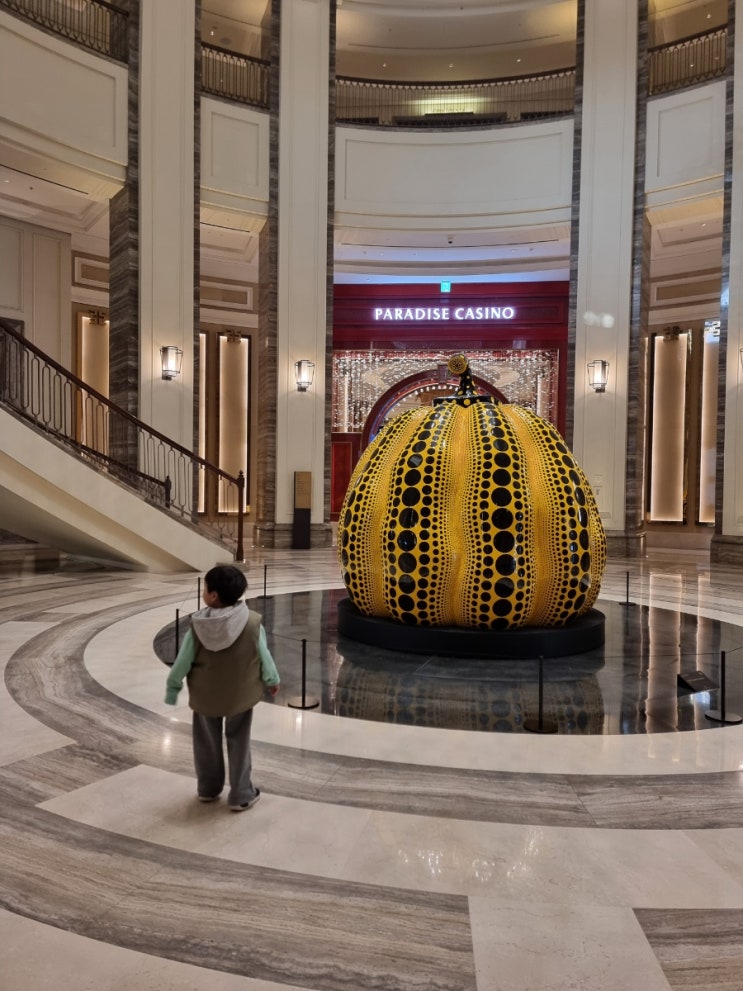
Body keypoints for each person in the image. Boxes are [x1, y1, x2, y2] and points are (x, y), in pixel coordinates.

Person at [164, 564, 280, 811]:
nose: (204, 592)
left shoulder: (197, 627)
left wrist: (173, 688)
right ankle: (241, 794)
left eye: (205, 588)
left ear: (213, 595)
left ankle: (208, 788)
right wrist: (272, 680)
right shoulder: (252, 623)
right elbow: (264, 655)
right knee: (239, 742)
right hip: (240, 695)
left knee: (206, 744)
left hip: (205, 696)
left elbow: (182, 662)